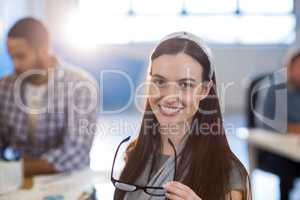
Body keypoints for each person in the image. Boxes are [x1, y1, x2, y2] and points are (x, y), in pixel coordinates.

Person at [112, 32, 251, 200]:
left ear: (205, 90)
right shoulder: (133, 154)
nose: (169, 96)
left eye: (185, 84)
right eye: (160, 82)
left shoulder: (227, 174)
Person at [0, 17, 98, 177]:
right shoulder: (4, 87)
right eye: (11, 57)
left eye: (21, 56)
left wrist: (13, 170)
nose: (15, 65)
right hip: (16, 183)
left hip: (69, 182)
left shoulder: (81, 85)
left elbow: (76, 153)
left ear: (44, 48)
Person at [260, 48, 300, 200]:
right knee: (287, 167)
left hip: (295, 147)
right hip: (275, 151)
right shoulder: (276, 89)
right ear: (289, 68)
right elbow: (270, 125)